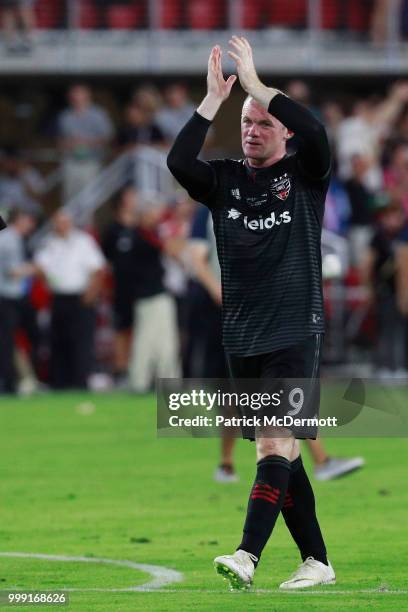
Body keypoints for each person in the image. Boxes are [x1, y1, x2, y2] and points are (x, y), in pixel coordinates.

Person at [168, 37, 335, 590]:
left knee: (272, 444)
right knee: (283, 453)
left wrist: (262, 87)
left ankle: (247, 555)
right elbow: (177, 161)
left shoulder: (307, 178)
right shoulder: (223, 182)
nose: (253, 129)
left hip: (294, 328)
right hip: (242, 335)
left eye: (264, 121)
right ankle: (317, 561)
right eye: (247, 121)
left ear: (282, 131)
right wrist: (214, 100)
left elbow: (316, 133)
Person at [34, 211, 105, 389]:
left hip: (81, 297)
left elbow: (98, 269)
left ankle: (80, 382)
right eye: (58, 223)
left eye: (64, 222)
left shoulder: (83, 241)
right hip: (59, 298)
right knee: (58, 341)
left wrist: (91, 293)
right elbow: (40, 267)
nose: (62, 226)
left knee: (82, 341)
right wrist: (46, 281)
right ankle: (60, 383)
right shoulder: (49, 243)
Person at [58, 84, 114, 203]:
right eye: (74, 95)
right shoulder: (65, 116)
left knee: (90, 197)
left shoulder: (99, 114)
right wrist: (68, 144)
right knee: (70, 197)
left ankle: (88, 222)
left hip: (92, 162)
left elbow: (107, 137)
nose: (76, 98)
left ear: (87, 96)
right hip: (71, 161)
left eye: (79, 94)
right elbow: (60, 140)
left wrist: (86, 142)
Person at [0, 209, 36, 393]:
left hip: (9, 296)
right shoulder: (10, 239)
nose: (32, 225)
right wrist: (35, 268)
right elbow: (12, 271)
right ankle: (9, 383)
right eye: (29, 220)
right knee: (7, 341)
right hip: (7, 296)